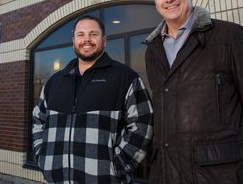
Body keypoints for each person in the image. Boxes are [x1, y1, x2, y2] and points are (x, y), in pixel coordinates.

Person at [145, 0, 243, 184]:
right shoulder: (153, 50)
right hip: (167, 174)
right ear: (155, 1)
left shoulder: (229, 36)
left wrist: (240, 153)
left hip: (221, 175)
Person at [32, 15, 153, 184]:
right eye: (80, 34)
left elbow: (143, 125)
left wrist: (117, 166)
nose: (86, 39)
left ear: (104, 40)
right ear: (73, 40)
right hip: (56, 179)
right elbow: (39, 121)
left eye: (93, 34)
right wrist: (42, 156)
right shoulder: (54, 81)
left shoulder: (125, 78)